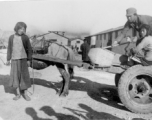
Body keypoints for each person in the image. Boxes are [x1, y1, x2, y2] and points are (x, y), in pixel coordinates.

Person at [6, 22, 32, 101]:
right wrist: (8, 59)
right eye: (20, 28)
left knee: (24, 77)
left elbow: (29, 49)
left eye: (23, 29)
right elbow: (9, 49)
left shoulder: (25, 37)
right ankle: (18, 94)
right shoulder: (11, 37)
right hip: (14, 60)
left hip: (23, 59)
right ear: (16, 28)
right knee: (15, 77)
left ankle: (25, 94)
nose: (22, 30)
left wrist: (28, 59)